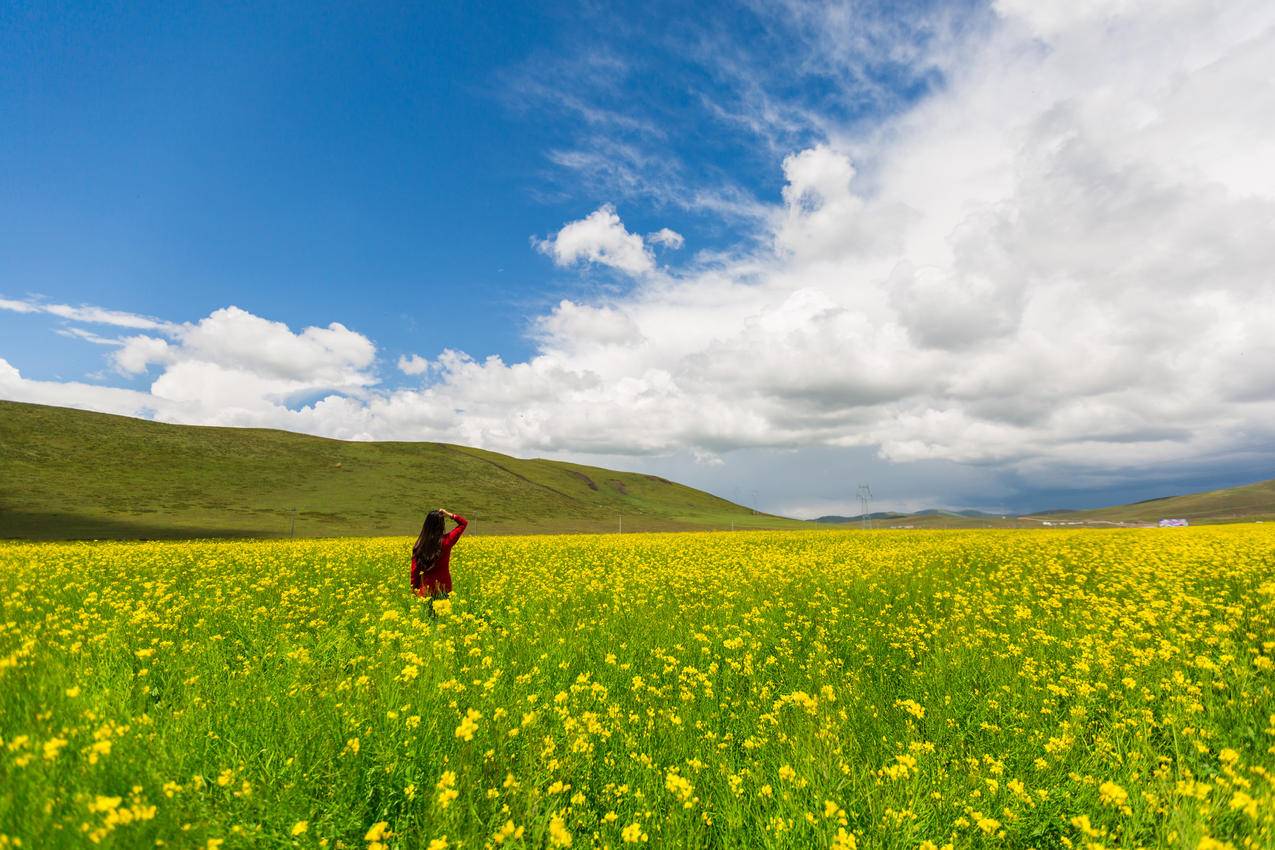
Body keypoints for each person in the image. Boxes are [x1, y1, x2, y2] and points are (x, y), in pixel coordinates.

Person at [411, 508, 467, 615]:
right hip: (444, 588)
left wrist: (414, 589)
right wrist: (449, 514)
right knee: (443, 620)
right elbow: (463, 523)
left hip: (426, 591)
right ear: (442, 525)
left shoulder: (419, 546)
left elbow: (414, 572)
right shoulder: (447, 541)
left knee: (429, 620)